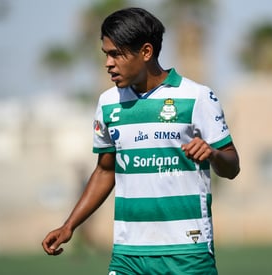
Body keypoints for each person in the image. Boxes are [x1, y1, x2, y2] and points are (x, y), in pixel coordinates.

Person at [42, 7, 240, 274]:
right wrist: (69, 226)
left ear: (146, 52)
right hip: (128, 255)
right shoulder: (108, 103)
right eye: (106, 54)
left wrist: (213, 154)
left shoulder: (198, 97)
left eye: (116, 54)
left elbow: (232, 165)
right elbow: (105, 170)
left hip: (187, 253)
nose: (108, 63)